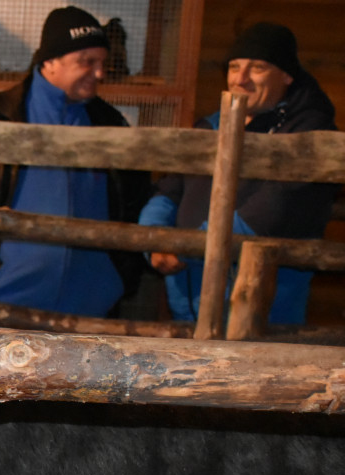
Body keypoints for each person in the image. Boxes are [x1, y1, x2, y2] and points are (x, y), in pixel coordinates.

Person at [0, 5, 151, 317]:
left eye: (102, 62)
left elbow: (136, 203)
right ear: (50, 61)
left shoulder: (111, 124)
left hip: (92, 309)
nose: (99, 73)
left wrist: (119, 278)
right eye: (86, 62)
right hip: (0, 302)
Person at [140, 22, 339, 325]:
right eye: (234, 67)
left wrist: (187, 247)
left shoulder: (308, 135)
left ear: (286, 75)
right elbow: (170, 189)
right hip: (188, 306)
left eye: (257, 68)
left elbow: (272, 210)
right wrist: (153, 235)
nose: (241, 79)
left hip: (261, 313)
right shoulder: (208, 127)